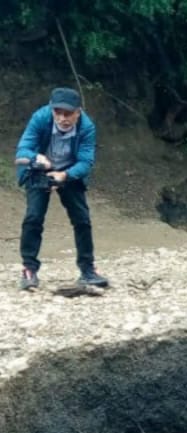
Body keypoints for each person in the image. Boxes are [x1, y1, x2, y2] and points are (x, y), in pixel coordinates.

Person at [14, 87, 108, 292]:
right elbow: (23, 148)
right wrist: (35, 158)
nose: (62, 118)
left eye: (68, 113)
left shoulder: (87, 127)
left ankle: (88, 269)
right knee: (33, 217)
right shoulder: (40, 118)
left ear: (78, 112)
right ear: (52, 109)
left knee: (82, 219)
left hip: (70, 171)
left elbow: (86, 161)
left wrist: (64, 175)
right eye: (58, 112)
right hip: (39, 170)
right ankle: (29, 269)